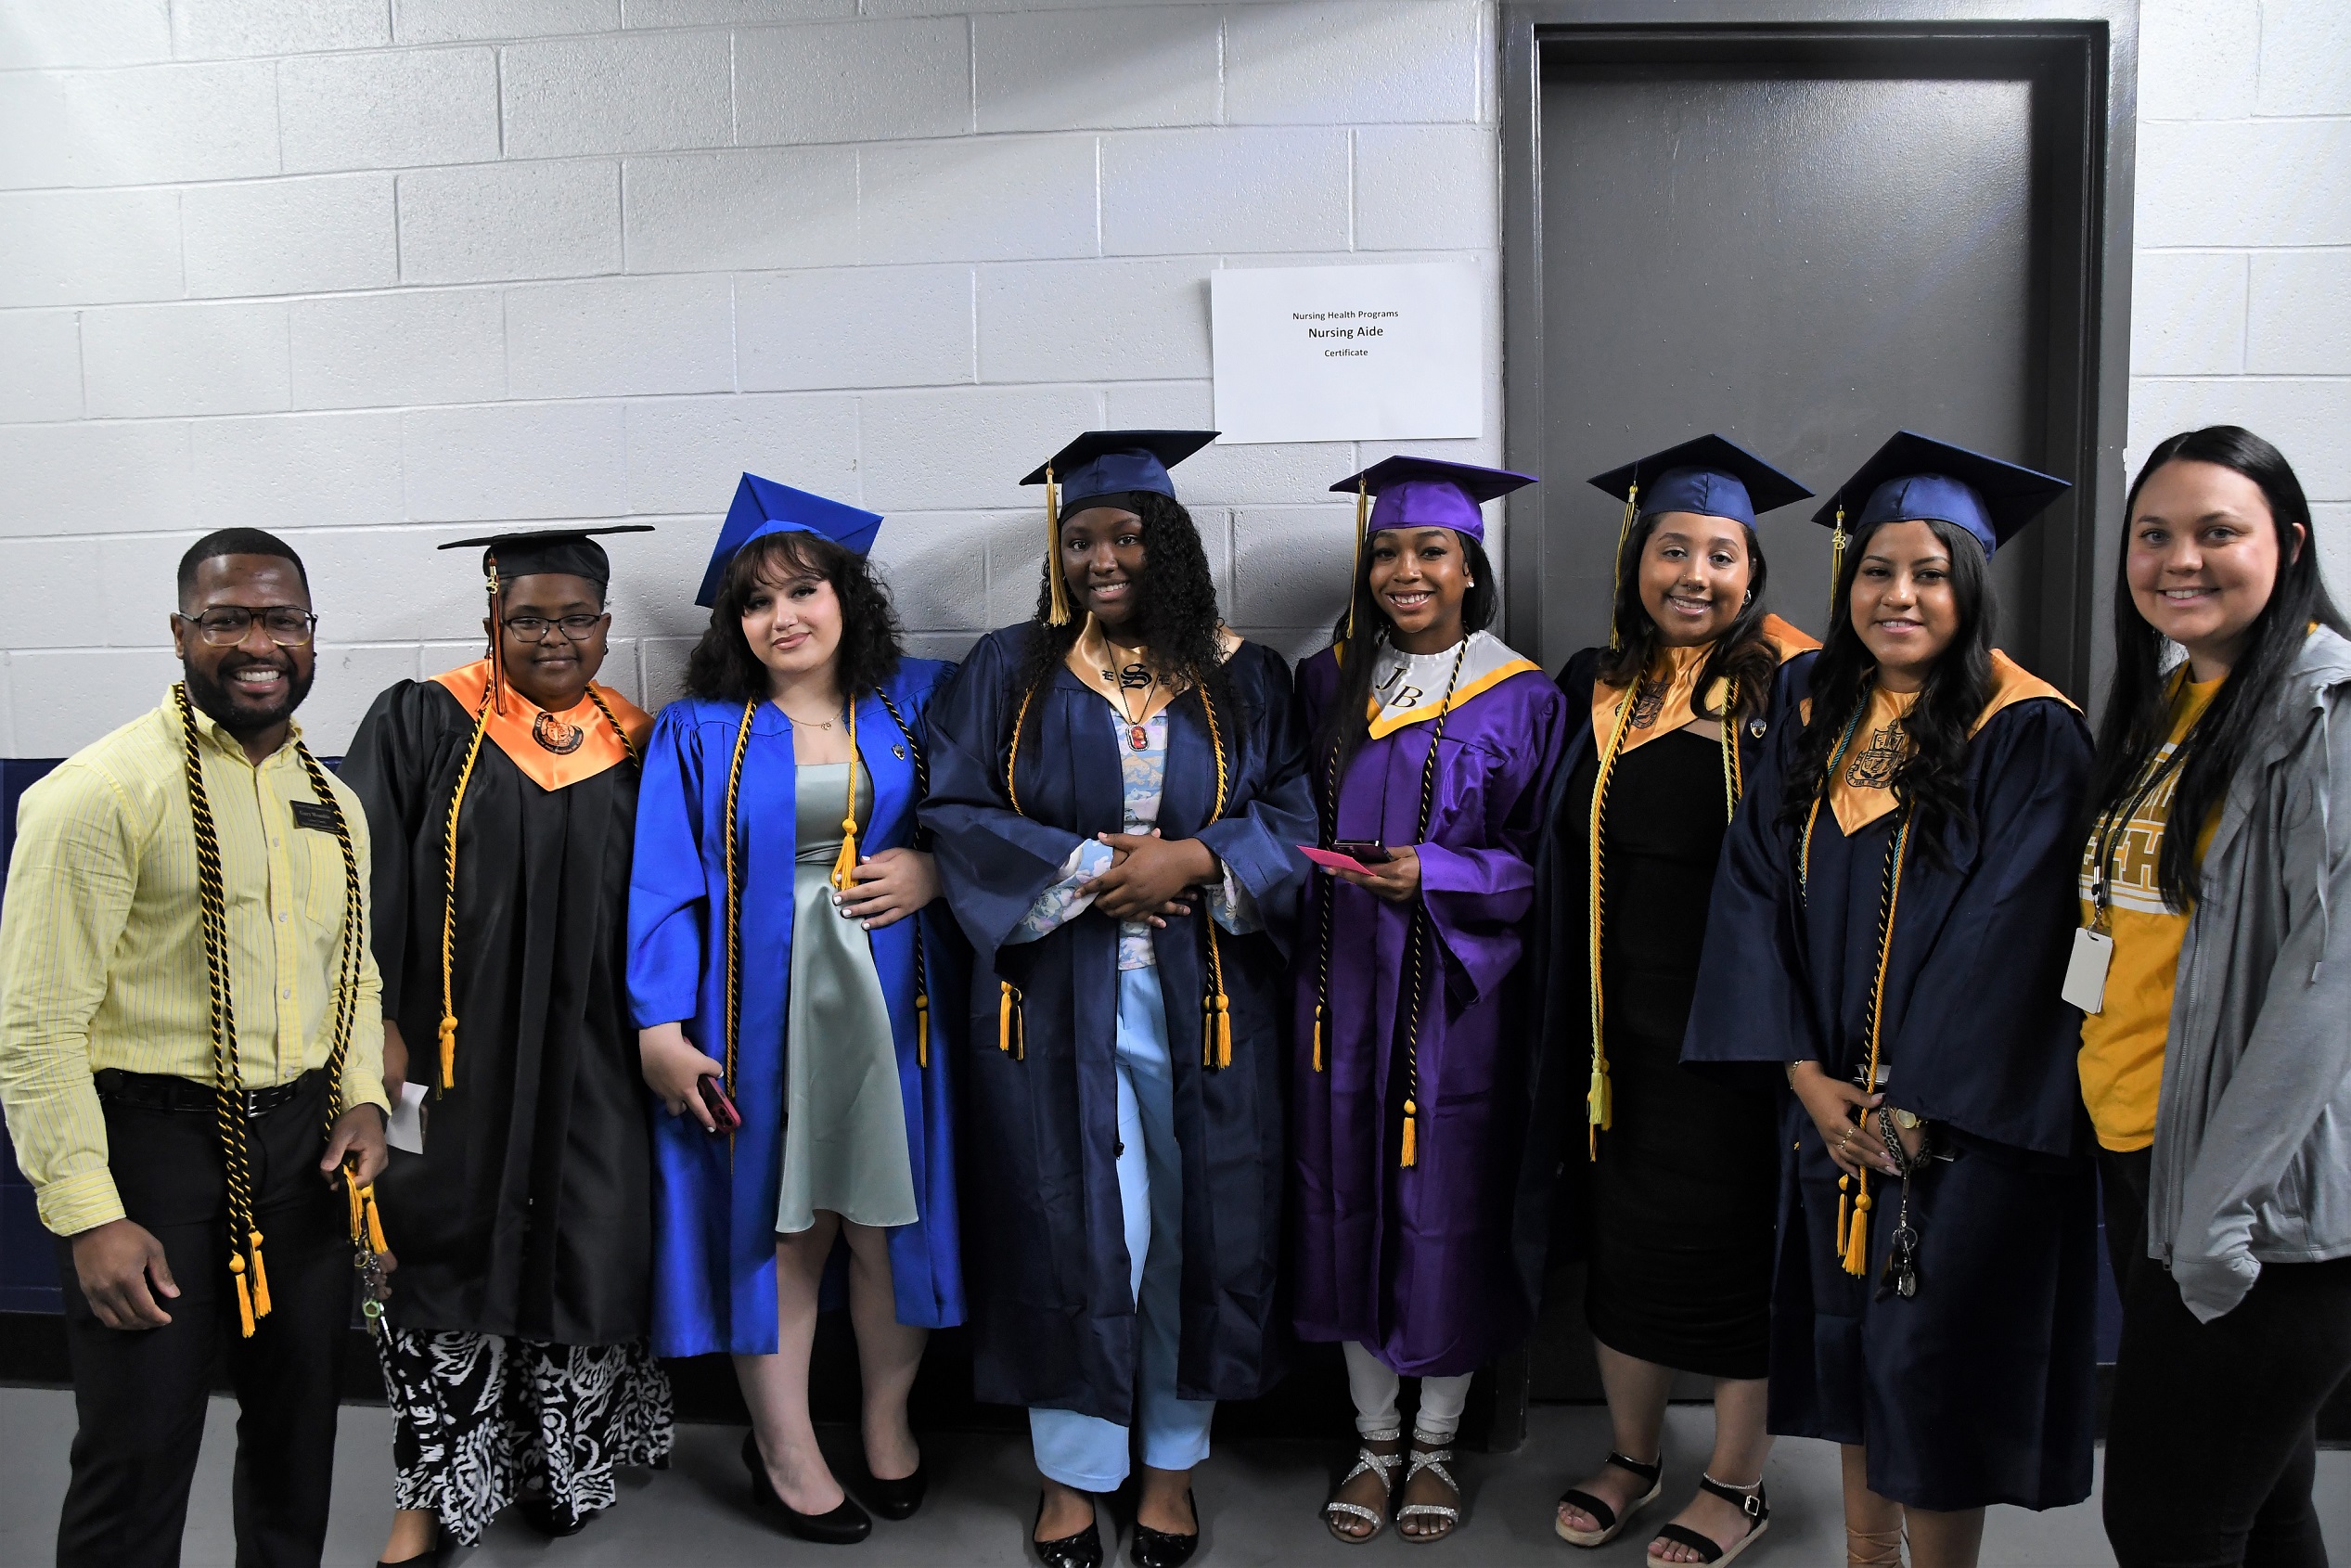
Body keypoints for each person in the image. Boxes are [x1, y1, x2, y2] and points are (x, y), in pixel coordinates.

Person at [1684, 433, 2099, 1568]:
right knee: (1852, 1351)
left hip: (1955, 1128)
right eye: (1875, 570)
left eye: (1928, 573)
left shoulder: (2027, 730)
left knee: (1933, 1369)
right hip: (1830, 1112)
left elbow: (2011, 941)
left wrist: (1913, 1105)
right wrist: (1803, 1077)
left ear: (1971, 587)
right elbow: (1752, 887)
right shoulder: (1817, 706)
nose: (1898, 595)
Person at [923, 430, 1314, 1568]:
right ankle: (1070, 1475)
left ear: (1171, 545)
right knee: (1075, 1235)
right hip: (1054, 1001)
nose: (1101, 558)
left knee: (1195, 1233)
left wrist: (1193, 859)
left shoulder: (1247, 674)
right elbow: (954, 808)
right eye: (1080, 538)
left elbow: (1294, 812)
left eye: (1127, 535)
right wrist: (1094, 869)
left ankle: (1171, 1469)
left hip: (1210, 1001)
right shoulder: (1008, 668)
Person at [0, 528, 389, 1568]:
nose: (260, 643)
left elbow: (352, 973)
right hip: (152, 1151)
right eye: (228, 620)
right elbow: (36, 1029)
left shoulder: (337, 803)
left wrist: (361, 1098)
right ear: (180, 634)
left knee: (298, 1437)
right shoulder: (99, 795)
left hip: (301, 1153)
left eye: (283, 619)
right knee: (136, 1454)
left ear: (312, 635)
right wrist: (90, 1215)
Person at [629, 475, 964, 1546]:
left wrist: (936, 870)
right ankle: (782, 1447)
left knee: (886, 1221)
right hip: (755, 1013)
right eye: (756, 600)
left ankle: (884, 1420)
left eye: (803, 590)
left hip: (892, 1004)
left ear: (845, 597)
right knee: (782, 1224)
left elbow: (992, 812)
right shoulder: (700, 731)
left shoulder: (919, 701)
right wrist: (658, 1027)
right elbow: (665, 883)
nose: (782, 616)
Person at [340, 526, 672, 1563]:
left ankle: (560, 1467)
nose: (553, 637)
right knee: (438, 1252)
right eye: (527, 618)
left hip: (596, 1059)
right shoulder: (422, 719)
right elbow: (363, 882)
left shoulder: (640, 740)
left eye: (576, 619)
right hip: (449, 1059)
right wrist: (374, 1026)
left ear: (606, 627)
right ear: (493, 620)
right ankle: (435, 1493)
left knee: (585, 1245)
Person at [1527, 436, 1818, 1563]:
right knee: (1624, 1249)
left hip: (1740, 1039)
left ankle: (1736, 1480)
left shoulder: (1793, 683)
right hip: (1615, 1039)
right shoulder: (1595, 682)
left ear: (1750, 573)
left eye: (1719, 555)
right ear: (1634, 560)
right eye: (1671, 549)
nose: (1693, 575)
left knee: (1740, 1257)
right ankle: (1632, 1454)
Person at [2078, 427, 2351, 1568]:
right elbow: (2114, 923)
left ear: (2286, 543)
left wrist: (2217, 1213)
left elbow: (2325, 989)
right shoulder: (2172, 701)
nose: (2177, 560)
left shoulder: (2322, 712)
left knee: (2165, 1524)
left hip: (2249, 1201)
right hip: (2142, 1151)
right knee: (2262, 1504)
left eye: (2214, 531)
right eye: (2152, 535)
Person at [1291, 456, 1567, 1545]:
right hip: (1336, 994)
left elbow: (1541, 863)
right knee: (1342, 1201)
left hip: (1453, 1000)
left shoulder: (1524, 696)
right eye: (1385, 552)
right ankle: (1372, 1441)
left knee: (1443, 1212)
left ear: (1468, 568)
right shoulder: (1325, 682)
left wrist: (1438, 873)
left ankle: (1436, 1444)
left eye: (1430, 551)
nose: (1404, 571)